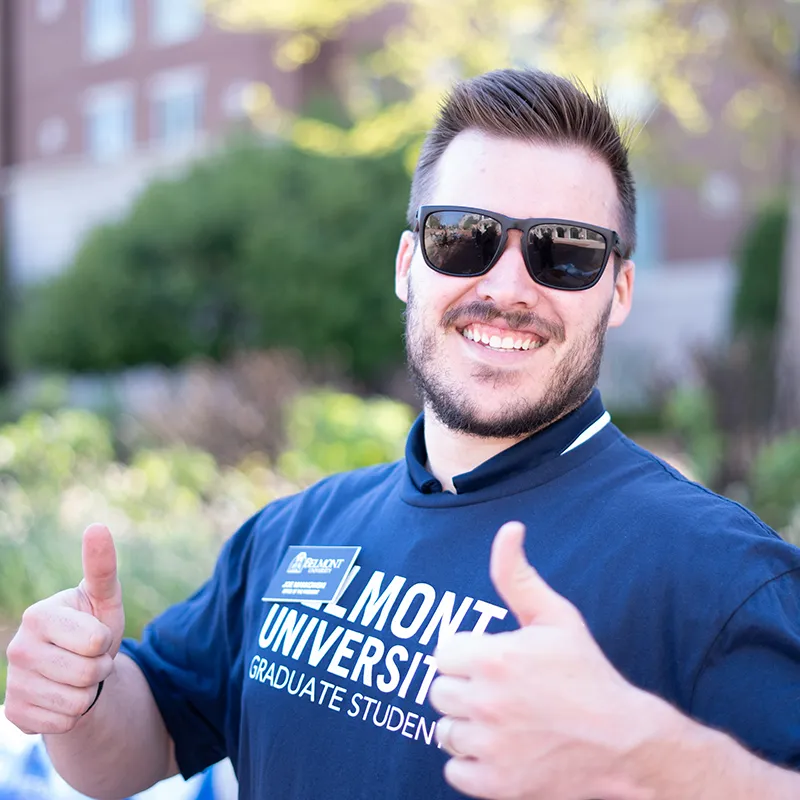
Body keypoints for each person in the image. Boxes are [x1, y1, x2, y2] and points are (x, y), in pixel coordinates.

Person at [5, 68, 800, 800]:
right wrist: (78, 695)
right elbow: (138, 745)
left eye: (564, 253)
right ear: (406, 266)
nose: (506, 286)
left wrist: (653, 756)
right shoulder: (295, 532)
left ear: (618, 289)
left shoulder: (722, 578)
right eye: (464, 237)